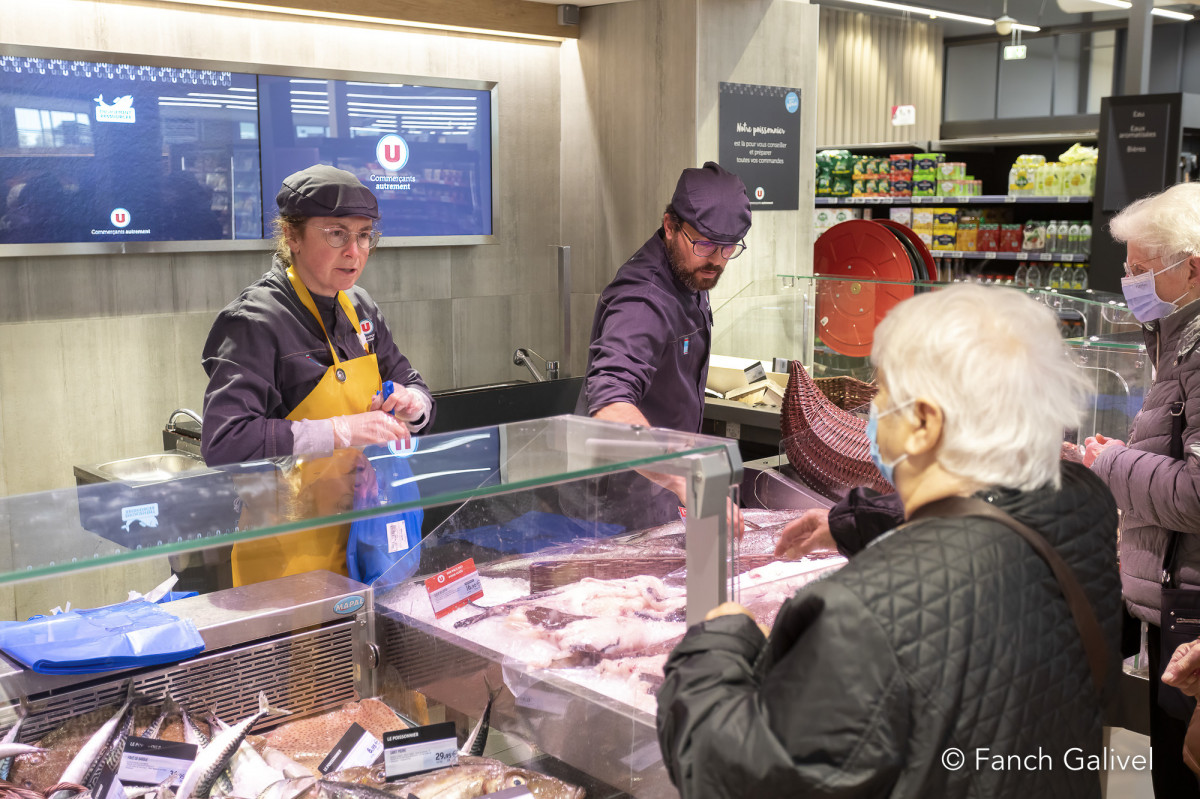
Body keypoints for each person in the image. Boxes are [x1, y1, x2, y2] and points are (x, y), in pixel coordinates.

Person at [657, 284, 1122, 798]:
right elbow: (983, 515)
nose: (870, 411)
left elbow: (737, 778)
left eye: (880, 393)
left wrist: (718, 641)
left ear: (922, 424)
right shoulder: (1084, 505)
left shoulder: (858, 612)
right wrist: (852, 522)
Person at [202, 164, 433, 585]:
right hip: (288, 561)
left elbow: (414, 385)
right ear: (292, 235)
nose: (354, 252)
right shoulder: (255, 320)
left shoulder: (360, 306)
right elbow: (225, 441)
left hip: (365, 547)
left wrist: (413, 404)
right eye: (337, 234)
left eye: (364, 235)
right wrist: (340, 431)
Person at [1081, 181, 1200, 797]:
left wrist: (1111, 463)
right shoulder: (1176, 341)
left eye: (1141, 270)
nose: (1129, 284)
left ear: (1193, 269)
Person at [574, 162, 750, 527]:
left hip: (664, 493)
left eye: (728, 248)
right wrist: (682, 480)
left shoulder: (689, 271)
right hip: (619, 507)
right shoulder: (643, 301)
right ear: (670, 226)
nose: (716, 261)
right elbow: (610, 404)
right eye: (705, 244)